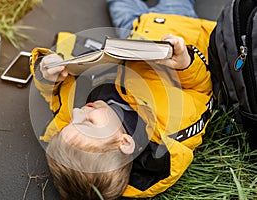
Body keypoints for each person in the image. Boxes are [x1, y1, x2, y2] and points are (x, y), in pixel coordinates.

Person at [30, 0, 216, 199]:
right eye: (88, 122)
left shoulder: (81, 119)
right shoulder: (169, 127)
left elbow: (54, 94)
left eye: (71, 121)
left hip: (130, 36)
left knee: (118, 3)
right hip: (176, 34)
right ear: (125, 142)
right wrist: (185, 63)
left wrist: (48, 73)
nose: (77, 112)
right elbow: (201, 90)